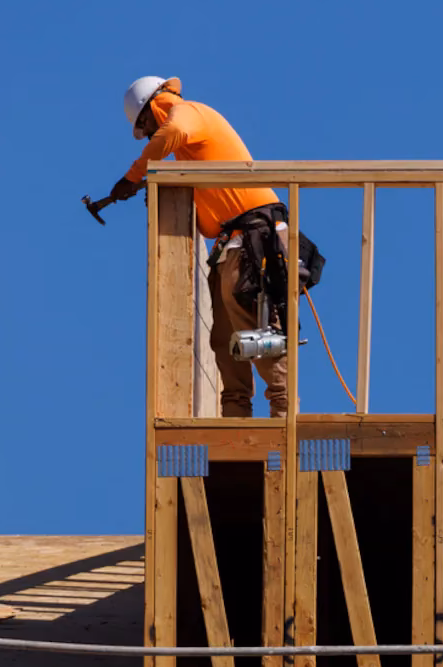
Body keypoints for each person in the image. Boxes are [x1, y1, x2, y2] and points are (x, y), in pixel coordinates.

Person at [113, 76, 321, 418]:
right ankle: (236, 431)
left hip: (253, 243)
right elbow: (206, 219)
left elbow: (170, 133)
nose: (150, 135)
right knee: (227, 345)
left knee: (264, 340)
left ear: (155, 105)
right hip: (231, 251)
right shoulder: (188, 157)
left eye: (146, 126)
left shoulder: (188, 113)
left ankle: (286, 433)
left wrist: (134, 176)